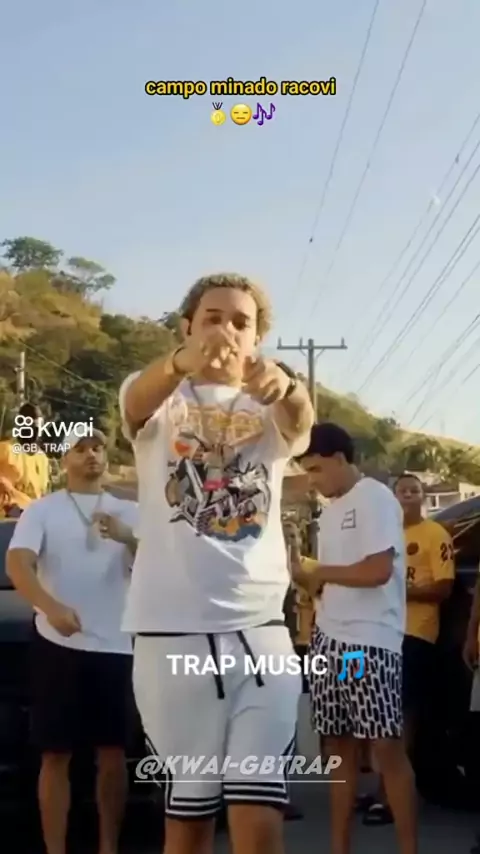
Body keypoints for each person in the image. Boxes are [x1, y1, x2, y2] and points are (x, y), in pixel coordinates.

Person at [120, 272, 314, 854]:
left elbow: (302, 423)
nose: (226, 330)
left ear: (256, 339)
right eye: (212, 318)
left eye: (240, 322)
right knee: (191, 818)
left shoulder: (271, 403)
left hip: (262, 634)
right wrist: (179, 364)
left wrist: (288, 386)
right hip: (172, 635)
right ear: (186, 328)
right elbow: (134, 403)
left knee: (259, 812)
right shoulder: (160, 396)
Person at [6, 429, 138, 854]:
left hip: (117, 644)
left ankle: (108, 846)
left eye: (97, 448)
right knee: (55, 753)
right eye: (80, 450)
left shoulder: (130, 511)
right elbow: (18, 563)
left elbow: (159, 568)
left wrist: (129, 537)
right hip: (57, 643)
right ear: (64, 460)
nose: (91, 455)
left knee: (113, 753)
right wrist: (50, 607)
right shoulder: (42, 511)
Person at [291, 423, 417, 854]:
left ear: (340, 459)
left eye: (316, 469)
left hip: (369, 642)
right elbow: (332, 580)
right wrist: (306, 579)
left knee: (385, 747)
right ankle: (339, 847)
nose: (312, 480)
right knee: (338, 747)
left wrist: (319, 572)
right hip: (329, 639)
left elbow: (377, 570)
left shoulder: (375, 498)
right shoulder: (328, 512)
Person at [360, 472, 455, 825]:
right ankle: (382, 787)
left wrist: (397, 590)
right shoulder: (384, 536)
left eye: (414, 491)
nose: (408, 496)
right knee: (378, 714)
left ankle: (391, 796)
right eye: (402, 491)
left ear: (423, 496)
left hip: (416, 634)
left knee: (401, 715)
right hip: (381, 633)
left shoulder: (435, 534)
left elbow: (443, 588)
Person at [0, 402, 50, 517]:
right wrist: (20, 515)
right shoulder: (5, 450)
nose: (34, 432)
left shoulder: (42, 459)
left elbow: (42, 496)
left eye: (37, 428)